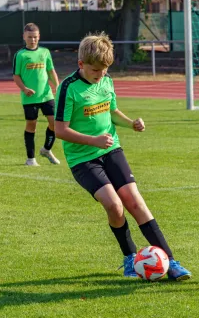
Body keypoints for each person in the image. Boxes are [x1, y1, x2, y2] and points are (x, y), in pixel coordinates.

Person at [54, 32, 191, 281]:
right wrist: (93, 140)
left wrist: (131, 123)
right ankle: (130, 258)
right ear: (81, 64)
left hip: (111, 149)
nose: (100, 75)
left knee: (134, 201)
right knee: (114, 205)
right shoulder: (68, 88)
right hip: (83, 159)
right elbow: (60, 130)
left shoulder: (107, 82)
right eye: (95, 70)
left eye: (104, 70)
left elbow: (112, 111)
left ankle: (171, 262)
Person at [13, 23, 61, 166]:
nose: (32, 40)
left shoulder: (45, 52)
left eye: (35, 37)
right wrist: (24, 88)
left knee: (55, 123)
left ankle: (46, 149)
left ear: (39, 37)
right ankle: (30, 159)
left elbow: (51, 71)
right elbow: (16, 76)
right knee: (31, 125)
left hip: (46, 95)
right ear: (24, 37)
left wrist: (57, 86)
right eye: (29, 37)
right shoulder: (21, 55)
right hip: (29, 98)